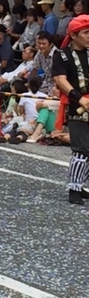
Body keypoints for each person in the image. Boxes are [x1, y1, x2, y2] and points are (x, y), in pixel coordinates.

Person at [52, 15, 89, 204]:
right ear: (74, 35)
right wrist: (79, 98)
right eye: (86, 32)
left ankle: (81, 183)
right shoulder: (62, 55)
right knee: (81, 149)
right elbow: (60, 80)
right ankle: (74, 188)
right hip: (78, 107)